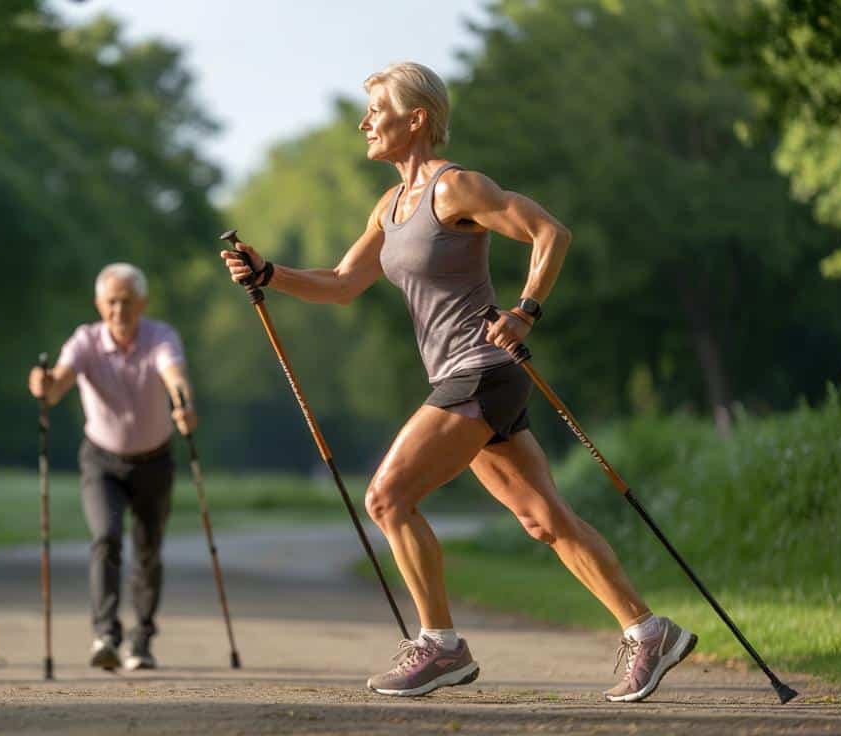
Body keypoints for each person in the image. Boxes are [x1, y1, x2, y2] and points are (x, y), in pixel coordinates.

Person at [220, 62, 695, 703]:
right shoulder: (388, 208)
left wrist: (525, 310)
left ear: (415, 119)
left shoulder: (457, 188)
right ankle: (649, 630)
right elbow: (340, 284)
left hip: (482, 369)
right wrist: (269, 272)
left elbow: (550, 231)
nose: (364, 124)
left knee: (387, 498)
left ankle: (441, 647)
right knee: (543, 519)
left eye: (376, 111)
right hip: (460, 377)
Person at [28, 263, 196, 672]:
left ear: (142, 303)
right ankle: (106, 634)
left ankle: (141, 639)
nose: (118, 311)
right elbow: (58, 383)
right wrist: (43, 384)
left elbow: (174, 374)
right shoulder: (85, 340)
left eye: (126, 302)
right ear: (99, 304)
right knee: (106, 538)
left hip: (154, 460)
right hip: (101, 459)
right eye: (110, 302)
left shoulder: (160, 337)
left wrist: (184, 404)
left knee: (148, 549)